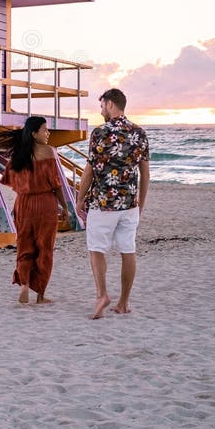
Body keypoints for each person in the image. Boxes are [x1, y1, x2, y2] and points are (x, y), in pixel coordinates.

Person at [76, 88, 149, 319]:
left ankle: (102, 295)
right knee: (128, 250)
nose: (100, 111)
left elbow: (89, 170)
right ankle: (124, 303)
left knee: (97, 249)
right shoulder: (139, 133)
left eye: (101, 106)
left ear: (109, 104)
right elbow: (145, 173)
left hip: (103, 203)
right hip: (130, 204)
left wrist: (79, 198)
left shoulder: (100, 132)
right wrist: (141, 203)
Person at [0, 116, 69, 305]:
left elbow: (9, 179)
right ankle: (40, 295)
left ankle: (24, 285)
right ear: (34, 134)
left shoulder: (18, 154)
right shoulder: (49, 152)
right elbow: (56, 184)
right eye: (45, 130)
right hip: (45, 204)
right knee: (45, 249)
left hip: (23, 204)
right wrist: (65, 206)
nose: (48, 133)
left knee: (24, 247)